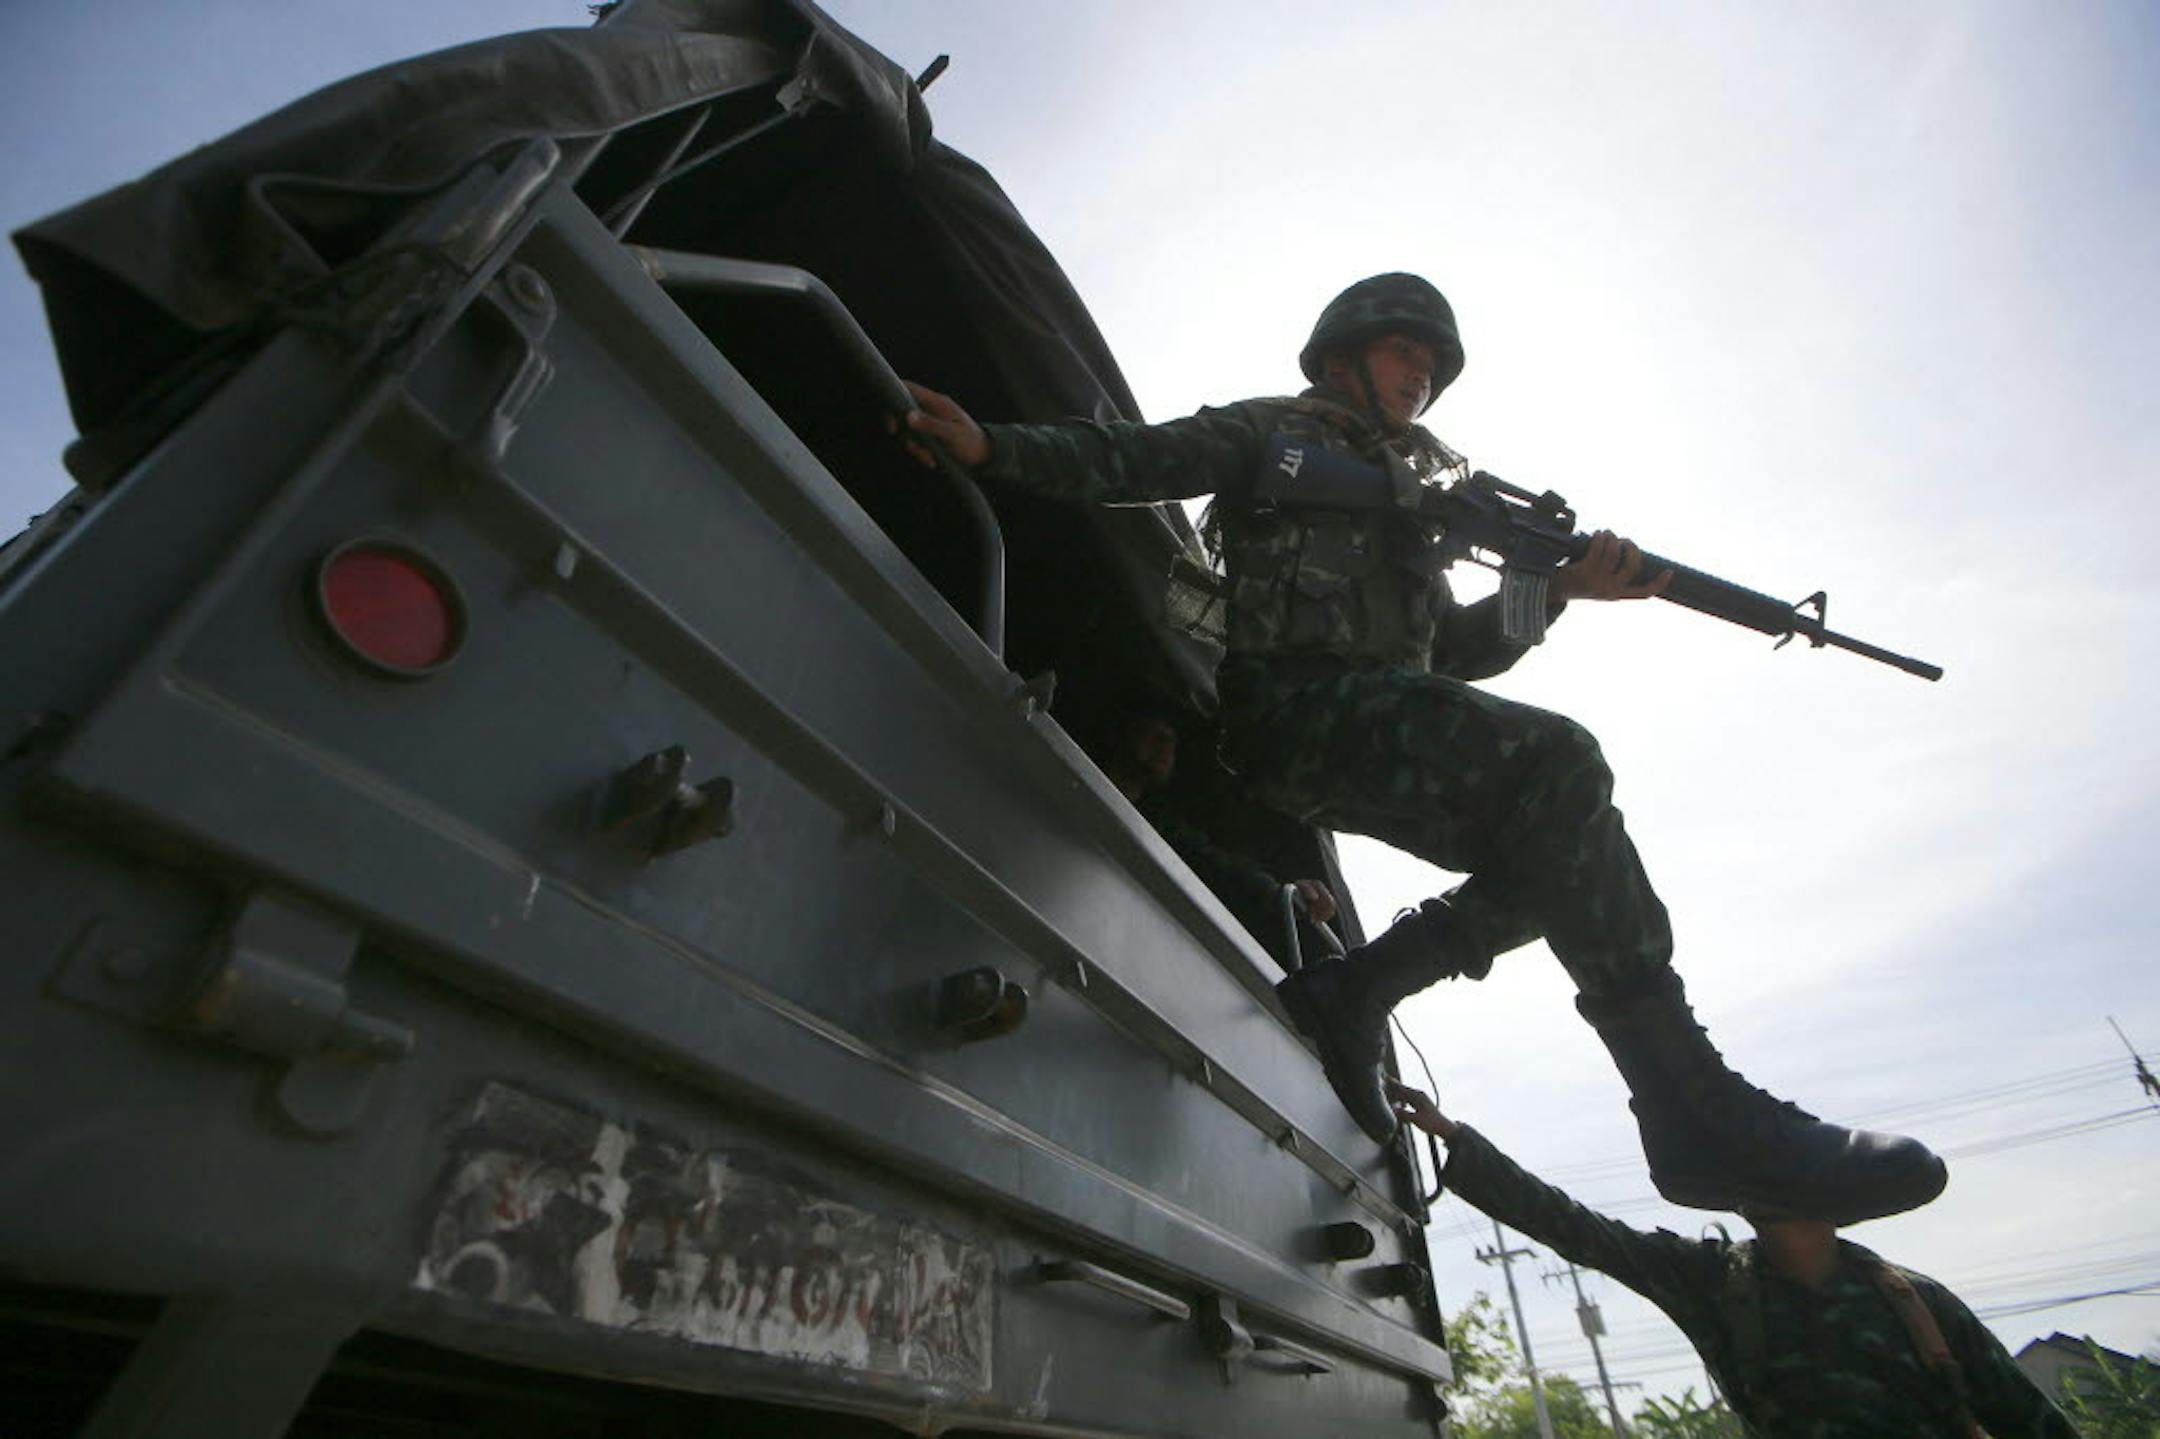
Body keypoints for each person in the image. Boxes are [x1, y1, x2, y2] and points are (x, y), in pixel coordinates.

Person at [899, 272, 1944, 1224]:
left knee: (1562, 846)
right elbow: (1135, 457)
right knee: (1564, 762)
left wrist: (1558, 592)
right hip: (1294, 713)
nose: (1421, 376)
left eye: (1432, 368)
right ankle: (1693, 1107)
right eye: (1405, 354)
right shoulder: (1276, 435)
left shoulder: (1422, 505)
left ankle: (1366, 986)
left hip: (1370, 721)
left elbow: (1454, 654)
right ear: (1343, 354)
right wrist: (996, 446)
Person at [1387, 1083, 2080, 1438]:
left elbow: (2030, 1420)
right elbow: (1574, 1226)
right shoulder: (1714, 1281)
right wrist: (1454, 1136)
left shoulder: (1916, 1300)